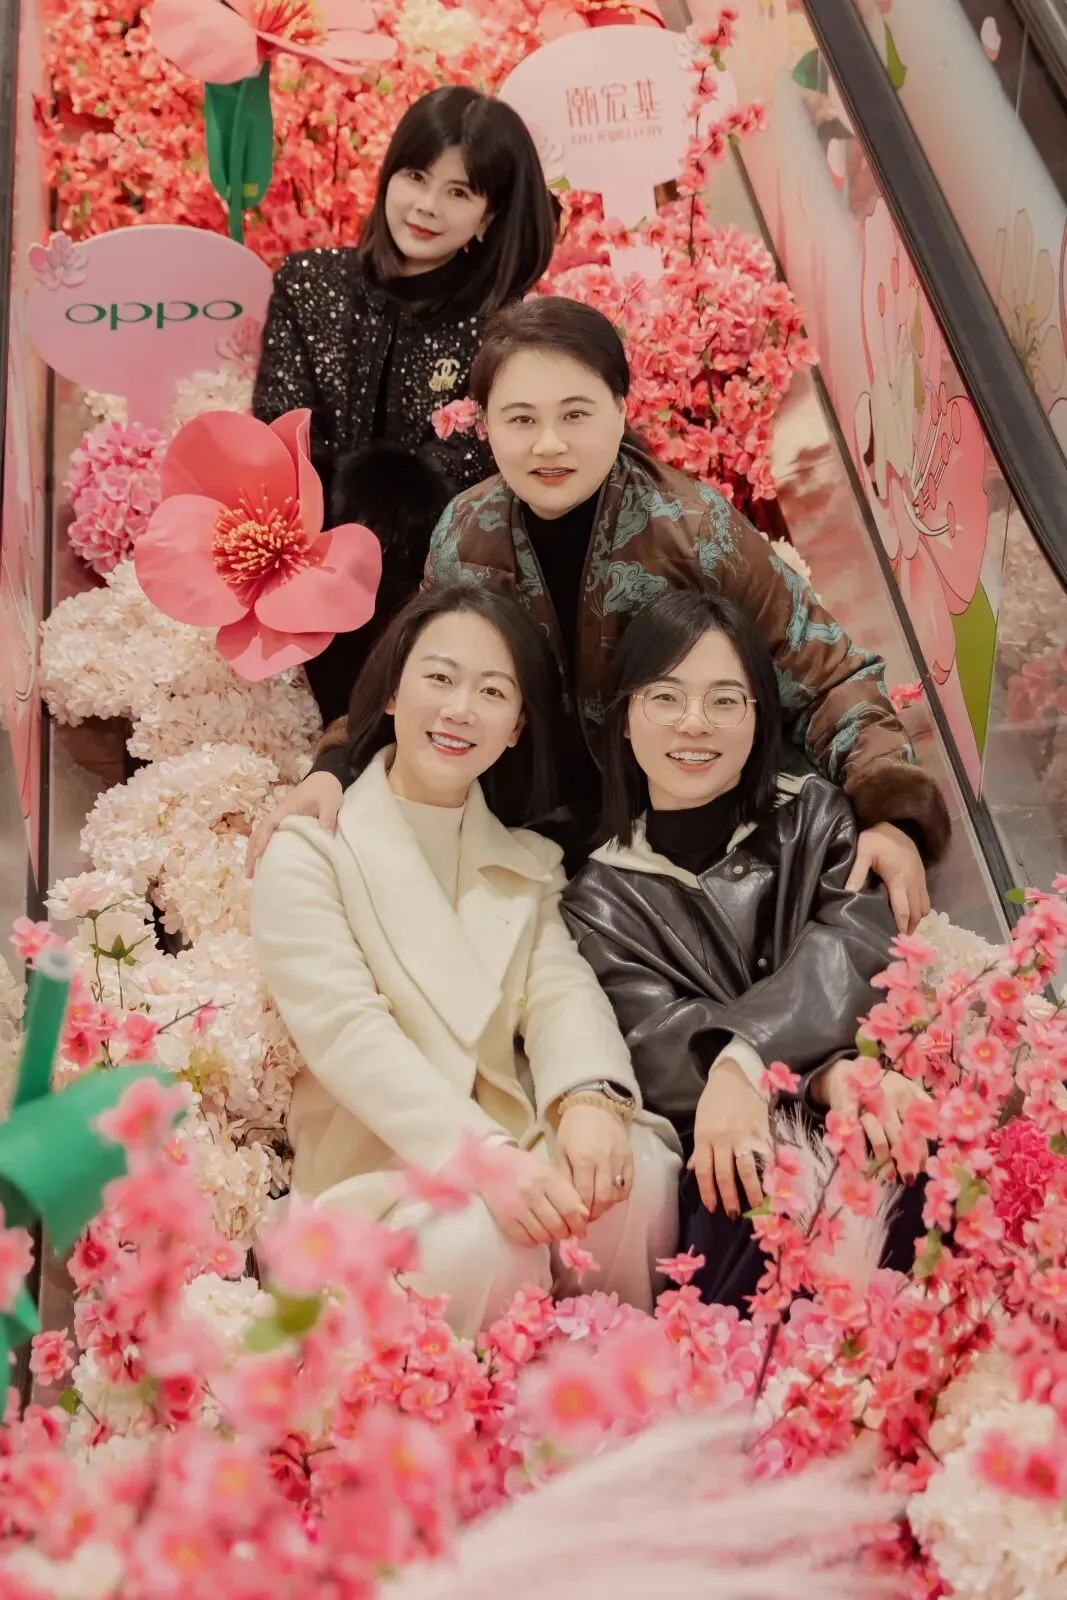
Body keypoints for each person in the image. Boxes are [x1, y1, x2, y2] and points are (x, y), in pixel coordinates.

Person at [248, 295, 948, 933]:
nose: (548, 444)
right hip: (525, 829)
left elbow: (826, 677)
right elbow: (419, 677)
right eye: (521, 419)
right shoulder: (465, 532)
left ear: (619, 409)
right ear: (485, 425)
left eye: (576, 414)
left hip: (687, 837)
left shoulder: (695, 528)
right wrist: (333, 769)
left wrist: (892, 815)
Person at [250, 584, 681, 1339]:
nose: (459, 710)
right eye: (439, 679)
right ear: (392, 693)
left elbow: (560, 991)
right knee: (476, 1237)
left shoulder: (527, 860)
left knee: (632, 1170)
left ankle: (620, 1372)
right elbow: (349, 1033)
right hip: (382, 1172)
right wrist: (483, 1161)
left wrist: (588, 1100)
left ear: (517, 728)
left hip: (516, 1141)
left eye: (492, 692)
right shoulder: (311, 851)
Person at [559, 590, 930, 1310]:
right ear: (625, 718)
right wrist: (819, 1077)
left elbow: (854, 946)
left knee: (918, 1161)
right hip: (730, 1148)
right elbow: (658, 1048)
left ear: (760, 718)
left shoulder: (816, 817)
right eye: (665, 697)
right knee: (739, 1217)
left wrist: (745, 1060)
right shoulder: (595, 900)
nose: (694, 723)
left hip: (867, 1101)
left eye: (725, 701)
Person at [252, 87, 557, 723]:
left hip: (434, 604)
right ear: (389, 174)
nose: (427, 206)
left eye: (459, 192)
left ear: (489, 217)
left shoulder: (502, 331)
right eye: (416, 176)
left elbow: (465, 487)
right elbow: (278, 438)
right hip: (296, 576)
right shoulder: (308, 283)